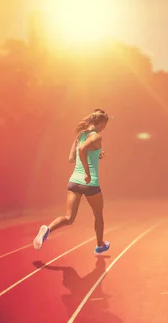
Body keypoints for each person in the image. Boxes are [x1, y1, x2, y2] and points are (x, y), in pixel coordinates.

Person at [33, 109, 111, 254]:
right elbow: (82, 149)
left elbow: (72, 158)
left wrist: (95, 155)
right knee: (98, 216)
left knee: (69, 217)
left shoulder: (80, 135)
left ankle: (47, 229)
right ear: (101, 123)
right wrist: (87, 173)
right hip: (90, 183)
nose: (104, 128)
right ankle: (100, 245)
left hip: (74, 181)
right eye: (105, 125)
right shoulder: (96, 137)